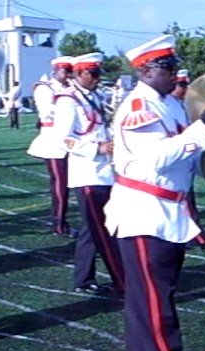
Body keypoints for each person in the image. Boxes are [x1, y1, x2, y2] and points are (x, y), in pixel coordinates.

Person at [104, 35, 205, 351]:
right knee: (156, 305)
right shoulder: (138, 107)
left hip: (168, 213)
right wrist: (201, 130)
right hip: (144, 214)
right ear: (145, 70)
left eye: (174, 64)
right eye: (167, 66)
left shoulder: (171, 104)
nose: (175, 72)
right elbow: (156, 159)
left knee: (150, 300)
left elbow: (184, 157)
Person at [53, 53, 124, 294]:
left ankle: (84, 278)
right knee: (102, 229)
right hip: (87, 173)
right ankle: (121, 278)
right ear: (78, 73)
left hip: (104, 171)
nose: (97, 78)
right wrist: (97, 148)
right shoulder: (67, 101)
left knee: (91, 229)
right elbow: (63, 138)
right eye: (92, 74)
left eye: (98, 73)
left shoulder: (94, 96)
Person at [27, 56, 78, 238]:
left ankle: (62, 221)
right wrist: (70, 102)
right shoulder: (44, 87)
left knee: (70, 184)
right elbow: (47, 112)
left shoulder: (69, 88)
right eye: (65, 72)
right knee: (60, 184)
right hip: (53, 141)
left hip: (70, 139)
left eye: (70, 72)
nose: (68, 76)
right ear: (55, 70)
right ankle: (59, 224)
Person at [171, 69, 205, 251]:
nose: (186, 89)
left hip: (186, 161)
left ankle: (196, 236)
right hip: (175, 163)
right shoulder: (169, 106)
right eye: (182, 84)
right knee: (185, 203)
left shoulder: (180, 106)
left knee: (188, 201)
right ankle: (198, 237)